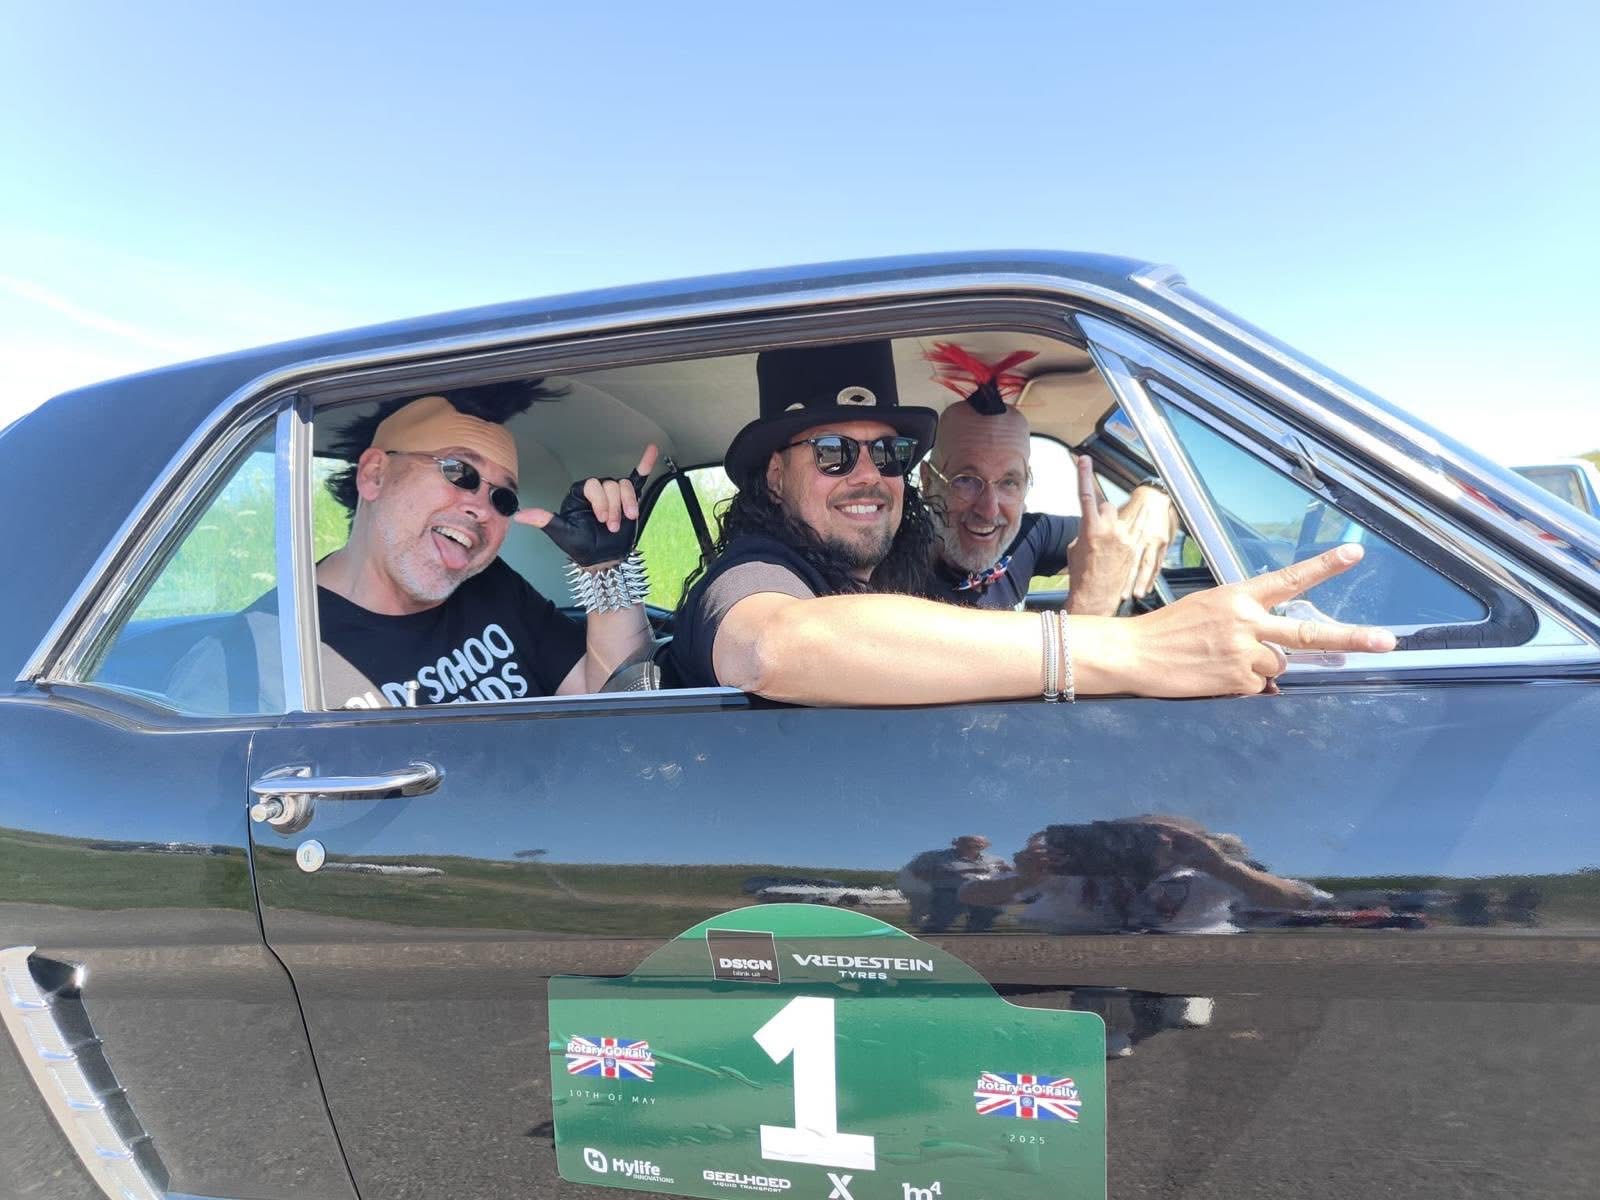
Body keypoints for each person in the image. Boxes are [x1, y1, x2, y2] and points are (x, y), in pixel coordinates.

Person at [670, 339, 1396, 703]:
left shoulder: (896, 557)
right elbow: (771, 646)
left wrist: (1155, 493)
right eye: (833, 453)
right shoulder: (754, 572)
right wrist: (1130, 645)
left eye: (887, 452)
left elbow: (1105, 536)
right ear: (776, 475)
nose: (868, 475)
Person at [313, 381, 656, 707]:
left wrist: (605, 565)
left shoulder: (492, 587)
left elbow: (615, 701)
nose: (481, 510)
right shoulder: (291, 646)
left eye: (502, 498)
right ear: (374, 474)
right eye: (459, 472)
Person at [921, 396, 1176, 615]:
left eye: (1009, 482)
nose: (989, 510)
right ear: (928, 480)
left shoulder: (1026, 537)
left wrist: (1154, 495)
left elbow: (1116, 537)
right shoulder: (902, 575)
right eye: (965, 480)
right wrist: (1089, 606)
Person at [897, 835, 1011, 932]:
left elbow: (1011, 873)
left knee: (993, 907)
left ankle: (978, 925)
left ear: (985, 846)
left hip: (981, 891)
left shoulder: (995, 860)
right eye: (968, 844)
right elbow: (917, 873)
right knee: (939, 924)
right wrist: (956, 873)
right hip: (948, 891)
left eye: (978, 845)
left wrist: (1008, 870)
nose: (974, 847)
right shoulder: (936, 857)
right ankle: (934, 927)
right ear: (956, 844)